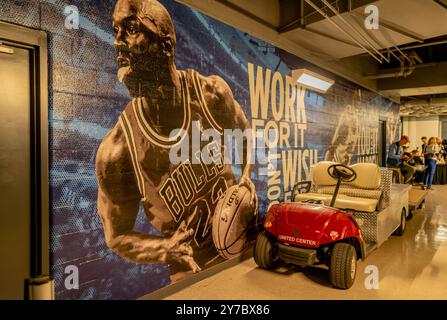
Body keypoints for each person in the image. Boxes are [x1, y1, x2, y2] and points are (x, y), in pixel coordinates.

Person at [95, 0, 257, 281]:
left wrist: (245, 175)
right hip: (192, 266)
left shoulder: (211, 94)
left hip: (241, 235)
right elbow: (116, 235)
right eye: (115, 31)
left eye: (131, 29)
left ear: (165, 45)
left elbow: (242, 130)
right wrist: (164, 248)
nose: (117, 43)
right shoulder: (117, 151)